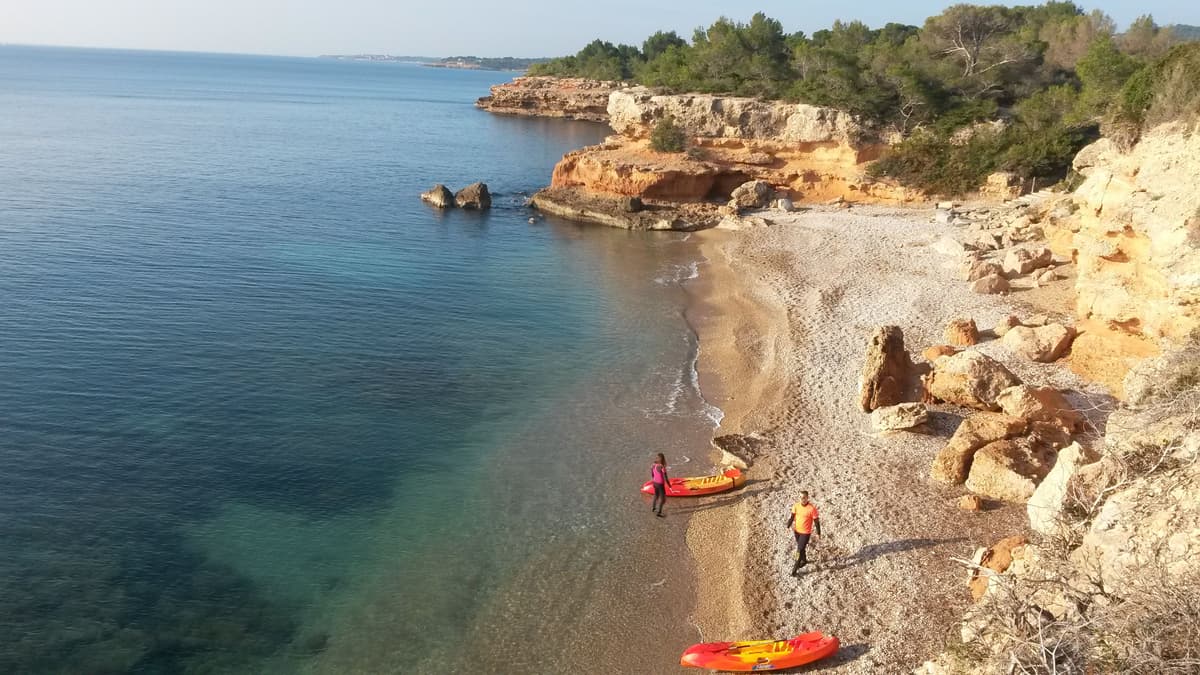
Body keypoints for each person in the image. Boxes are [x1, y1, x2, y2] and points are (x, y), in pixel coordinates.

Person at [785, 491, 821, 576]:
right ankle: (804, 561)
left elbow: (816, 522)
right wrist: (788, 526)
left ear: (807, 498)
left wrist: (818, 533)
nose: (802, 499)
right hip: (797, 531)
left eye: (804, 497)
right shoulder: (796, 506)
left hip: (805, 533)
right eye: (801, 497)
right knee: (801, 548)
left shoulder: (812, 509)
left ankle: (794, 570)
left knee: (799, 550)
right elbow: (792, 517)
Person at [650, 453, 669, 517]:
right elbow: (666, 478)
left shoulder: (653, 465)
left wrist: (653, 480)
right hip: (660, 484)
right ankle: (659, 512)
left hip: (655, 483)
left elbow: (652, 474)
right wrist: (669, 485)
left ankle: (653, 508)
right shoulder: (662, 467)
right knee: (663, 499)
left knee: (656, 496)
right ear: (663, 459)